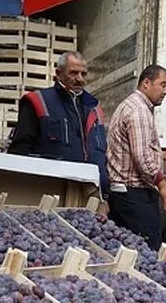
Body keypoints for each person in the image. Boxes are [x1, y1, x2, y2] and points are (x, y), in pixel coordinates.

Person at [7, 51, 109, 200]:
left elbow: (102, 157)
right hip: (46, 194)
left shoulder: (95, 109)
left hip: (90, 197)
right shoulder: (38, 102)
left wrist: (104, 198)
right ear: (58, 73)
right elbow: (19, 153)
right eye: (73, 73)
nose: (79, 79)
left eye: (83, 74)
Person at [105, 65, 166, 253]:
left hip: (122, 193)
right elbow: (141, 158)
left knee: (124, 251)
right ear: (146, 83)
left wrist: (161, 155)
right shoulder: (139, 111)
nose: (165, 92)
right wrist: (163, 186)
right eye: (162, 85)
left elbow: (131, 151)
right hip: (134, 195)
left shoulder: (130, 105)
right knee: (147, 251)